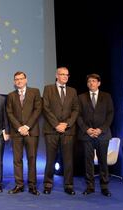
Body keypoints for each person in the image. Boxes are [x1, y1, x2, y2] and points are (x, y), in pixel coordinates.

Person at [42, 67, 79, 195]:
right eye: (62, 74)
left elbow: (75, 110)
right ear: (56, 75)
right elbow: (45, 108)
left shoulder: (72, 91)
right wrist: (56, 124)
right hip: (52, 130)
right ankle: (47, 184)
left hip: (68, 130)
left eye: (67, 75)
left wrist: (66, 124)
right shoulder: (48, 89)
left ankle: (68, 185)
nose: (64, 77)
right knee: (50, 159)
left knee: (68, 160)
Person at [77, 73, 114, 197]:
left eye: (93, 81)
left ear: (99, 83)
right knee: (88, 162)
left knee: (103, 161)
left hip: (102, 135)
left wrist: (101, 129)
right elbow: (78, 115)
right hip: (87, 135)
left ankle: (104, 187)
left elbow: (110, 115)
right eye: (89, 81)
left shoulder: (106, 96)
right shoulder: (81, 97)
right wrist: (87, 129)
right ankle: (90, 186)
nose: (91, 83)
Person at [6, 71, 42, 196]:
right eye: (16, 79)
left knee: (32, 159)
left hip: (31, 132)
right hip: (16, 133)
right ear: (14, 82)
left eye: (21, 78)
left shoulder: (35, 92)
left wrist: (26, 126)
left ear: (26, 80)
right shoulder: (10, 95)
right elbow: (9, 113)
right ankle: (19, 185)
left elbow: (38, 110)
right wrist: (19, 127)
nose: (19, 81)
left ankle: (32, 186)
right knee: (17, 160)